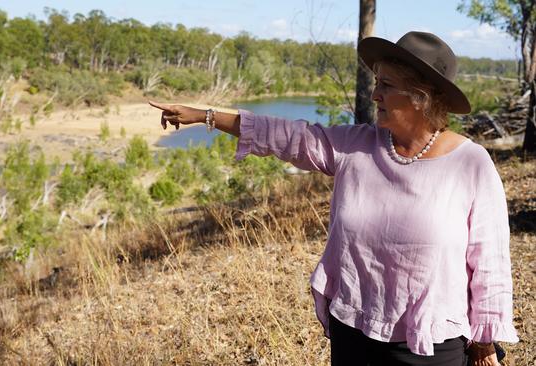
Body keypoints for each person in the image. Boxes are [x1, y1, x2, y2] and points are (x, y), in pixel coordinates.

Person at [148, 31, 518, 366]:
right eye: (376, 83)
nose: (374, 94)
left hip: (429, 343)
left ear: (420, 97)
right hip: (354, 328)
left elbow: (490, 262)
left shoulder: (470, 164)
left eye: (386, 85)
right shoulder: (354, 146)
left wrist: (485, 345)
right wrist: (205, 115)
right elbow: (285, 136)